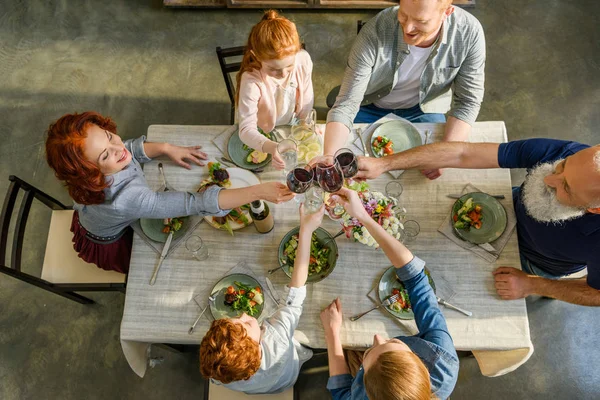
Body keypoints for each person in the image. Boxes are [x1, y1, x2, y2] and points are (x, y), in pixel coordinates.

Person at [355, 139, 600, 306]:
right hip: (502, 208)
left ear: (595, 208)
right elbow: (464, 153)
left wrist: (534, 285)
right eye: (562, 167)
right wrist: (384, 163)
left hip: (532, 264)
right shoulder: (571, 154)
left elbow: (597, 294)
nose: (548, 178)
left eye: (565, 187)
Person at [45, 111, 294, 273]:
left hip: (91, 215)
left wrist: (165, 147)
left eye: (110, 137)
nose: (117, 148)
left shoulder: (113, 156)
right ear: (89, 172)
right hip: (110, 242)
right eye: (105, 154)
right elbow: (193, 203)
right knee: (143, 267)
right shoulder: (127, 200)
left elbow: (129, 147)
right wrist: (259, 191)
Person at [321, 187, 459, 400]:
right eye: (393, 343)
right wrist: (364, 217)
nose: (377, 337)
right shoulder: (442, 363)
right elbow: (415, 277)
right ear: (420, 366)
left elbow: (341, 392)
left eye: (367, 357)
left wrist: (331, 333)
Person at [324, 0, 485, 179]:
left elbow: (467, 102)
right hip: (369, 106)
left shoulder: (469, 33)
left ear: (447, 12)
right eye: (403, 15)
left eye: (421, 21)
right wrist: (329, 157)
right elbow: (347, 102)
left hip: (424, 109)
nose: (407, 29)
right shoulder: (376, 29)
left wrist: (445, 156)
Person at [199, 204, 324, 394]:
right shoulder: (278, 340)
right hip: (288, 376)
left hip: (266, 387)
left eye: (233, 319)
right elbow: (295, 292)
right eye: (247, 324)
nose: (243, 314)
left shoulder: (220, 373)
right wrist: (305, 230)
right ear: (257, 348)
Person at [237, 10, 314, 170]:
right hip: (261, 129)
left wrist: (305, 124)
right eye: (273, 69)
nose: (283, 74)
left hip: (291, 122)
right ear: (256, 56)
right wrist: (272, 147)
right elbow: (246, 130)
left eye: (289, 66)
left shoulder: (303, 60)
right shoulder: (251, 81)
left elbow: (307, 98)